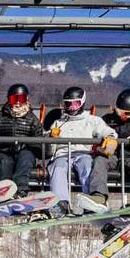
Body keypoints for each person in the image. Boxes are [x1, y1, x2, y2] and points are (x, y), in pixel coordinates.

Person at [44, 86, 117, 214]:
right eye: (68, 104)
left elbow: (106, 131)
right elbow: (49, 148)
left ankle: (91, 201)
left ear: (82, 103)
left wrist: (110, 138)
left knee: (87, 165)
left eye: (76, 103)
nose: (72, 108)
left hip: (83, 153)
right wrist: (51, 137)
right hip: (63, 154)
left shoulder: (91, 120)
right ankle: (61, 203)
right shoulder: (58, 122)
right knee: (58, 166)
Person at [0, 83, 44, 196]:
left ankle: (21, 190)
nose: (17, 102)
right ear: (9, 99)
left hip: (24, 152)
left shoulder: (32, 119)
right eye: (14, 99)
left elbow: (38, 143)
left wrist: (24, 145)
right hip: (3, 151)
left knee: (25, 158)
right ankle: (3, 190)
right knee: (4, 162)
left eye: (21, 99)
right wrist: (5, 145)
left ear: (26, 99)